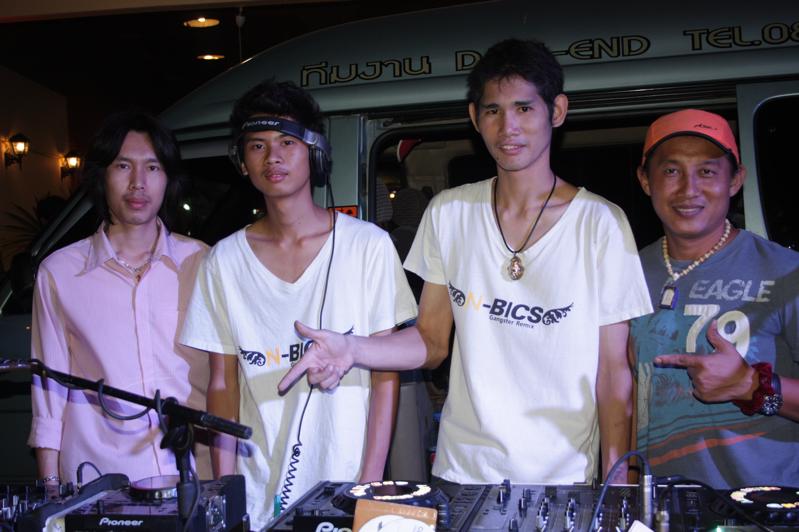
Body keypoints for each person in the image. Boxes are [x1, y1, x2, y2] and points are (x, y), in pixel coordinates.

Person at [280, 39, 652, 486]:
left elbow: (614, 374)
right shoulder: (449, 212)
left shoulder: (600, 223)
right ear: (475, 118)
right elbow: (432, 341)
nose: (508, 127)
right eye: (493, 110)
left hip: (564, 478)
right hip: (462, 473)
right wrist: (353, 349)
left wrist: (618, 483)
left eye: (524, 108)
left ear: (556, 111)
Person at [178, 79, 416, 528]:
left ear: (316, 154)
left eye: (287, 142)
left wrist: (368, 482)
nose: (273, 157)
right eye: (258, 145)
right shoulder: (223, 260)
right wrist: (227, 492)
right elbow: (223, 384)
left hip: (347, 484)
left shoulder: (368, 246)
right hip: (254, 491)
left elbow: (386, 371)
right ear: (242, 161)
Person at [28, 111, 211, 486]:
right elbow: (48, 392)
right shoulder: (60, 273)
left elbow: (227, 378)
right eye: (123, 166)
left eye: (153, 168)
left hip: (193, 475)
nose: (138, 183)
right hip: (100, 480)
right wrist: (50, 492)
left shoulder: (203, 262)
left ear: (168, 178)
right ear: (101, 176)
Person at [630, 109, 799, 487]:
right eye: (671, 171)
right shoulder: (623, 274)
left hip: (763, 506)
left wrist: (754, 386)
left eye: (707, 171)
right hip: (659, 504)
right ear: (645, 180)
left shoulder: (786, 272)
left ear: (735, 180)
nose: (688, 189)